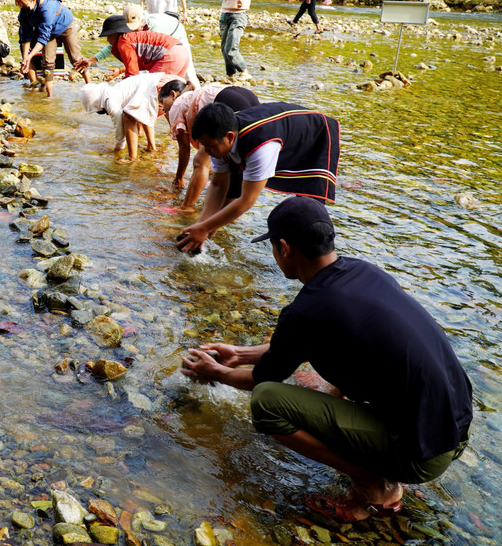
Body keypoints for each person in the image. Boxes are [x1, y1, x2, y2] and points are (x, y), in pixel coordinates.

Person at [182, 196, 472, 522]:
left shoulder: (307, 311)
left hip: (423, 454)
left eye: (273, 248)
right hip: (454, 427)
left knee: (266, 402)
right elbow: (309, 341)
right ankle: (367, 444)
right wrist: (239, 354)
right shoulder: (363, 271)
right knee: (342, 363)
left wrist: (215, 372)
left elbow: (261, 381)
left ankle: (374, 485)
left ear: (284, 248)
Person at [175, 101, 340, 253]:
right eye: (204, 145)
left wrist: (205, 228)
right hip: (281, 133)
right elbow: (218, 185)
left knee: (309, 204)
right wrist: (202, 225)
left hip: (313, 136)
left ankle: (323, 254)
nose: (206, 151)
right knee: (230, 194)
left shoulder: (260, 147)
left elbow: (247, 201)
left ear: (229, 137)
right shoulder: (217, 140)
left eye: (209, 146)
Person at [159, 80, 259, 208]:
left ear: (173, 94)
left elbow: (184, 148)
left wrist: (179, 178)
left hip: (226, 101)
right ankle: (227, 209)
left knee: (200, 162)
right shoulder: (193, 96)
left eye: (162, 102)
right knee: (235, 158)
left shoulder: (176, 105)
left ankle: (186, 207)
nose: (162, 108)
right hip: (247, 96)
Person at [80, 72, 170, 163]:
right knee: (142, 115)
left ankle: (132, 158)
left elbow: (120, 130)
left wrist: (117, 149)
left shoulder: (109, 101)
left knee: (128, 116)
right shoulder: (114, 90)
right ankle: (151, 148)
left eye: (103, 112)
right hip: (161, 81)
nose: (106, 114)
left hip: (155, 87)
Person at [16, 0, 88, 97]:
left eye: (24, 5)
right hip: (51, 33)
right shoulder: (24, 11)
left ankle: (90, 86)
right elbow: (25, 36)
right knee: (48, 62)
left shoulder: (47, 7)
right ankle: (50, 96)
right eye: (20, 6)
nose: (23, 8)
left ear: (33, 0)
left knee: (76, 59)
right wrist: (25, 58)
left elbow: (43, 38)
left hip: (65, 26)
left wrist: (30, 57)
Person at [82, 15, 193, 84]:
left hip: (170, 54)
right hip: (182, 51)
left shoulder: (124, 42)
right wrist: (121, 70)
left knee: (151, 90)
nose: (107, 39)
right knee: (170, 94)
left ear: (115, 34)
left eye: (108, 36)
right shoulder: (130, 38)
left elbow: (132, 75)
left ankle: (144, 122)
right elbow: (134, 65)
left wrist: (120, 93)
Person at [219, 0, 256, 81]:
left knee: (231, 47)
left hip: (238, 15)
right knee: (224, 48)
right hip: (225, 14)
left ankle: (244, 70)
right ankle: (230, 74)